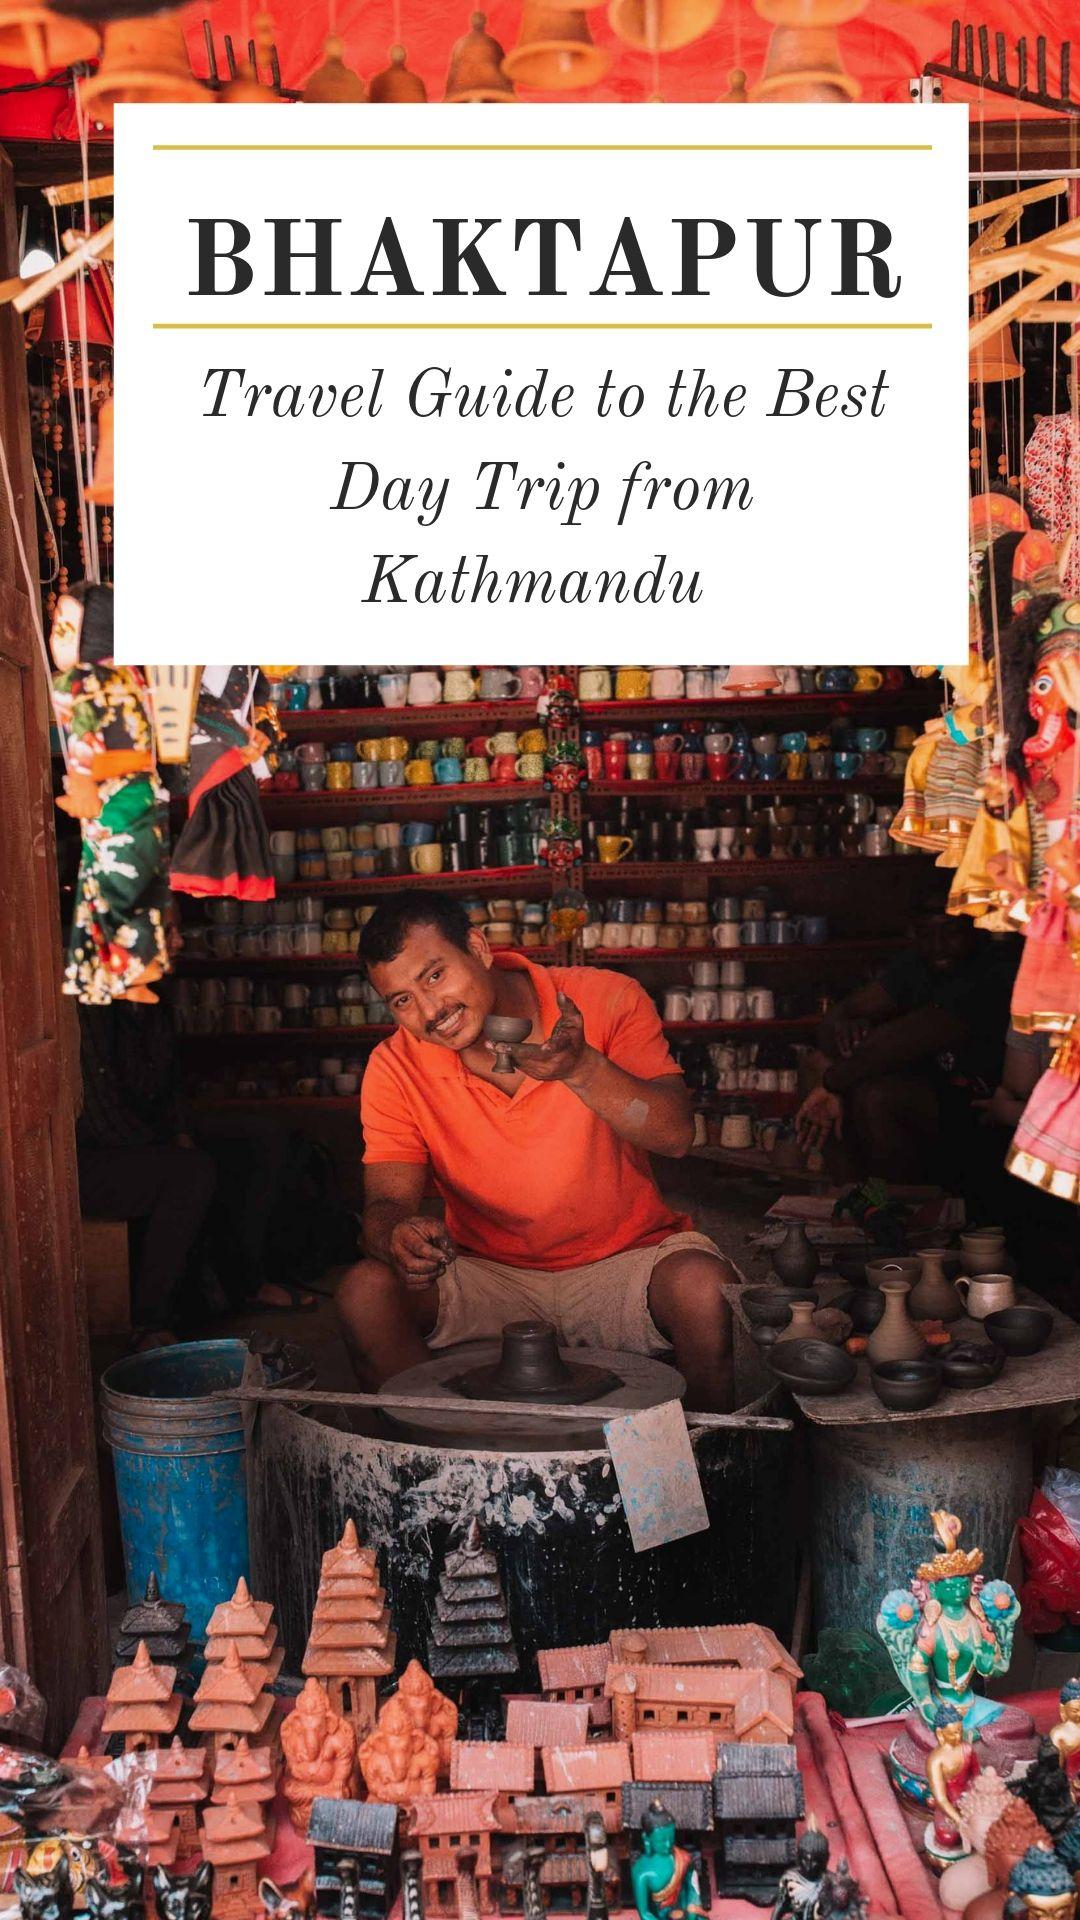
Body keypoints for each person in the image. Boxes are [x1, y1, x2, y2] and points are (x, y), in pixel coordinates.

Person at [336, 893, 738, 1410]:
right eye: (402, 1000)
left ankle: (705, 1468)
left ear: (478, 948)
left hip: (623, 1261)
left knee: (705, 1290)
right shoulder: (394, 1065)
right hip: (486, 1273)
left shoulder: (605, 998)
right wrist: (398, 1234)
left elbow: (676, 1135)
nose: (430, 1011)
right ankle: (441, 1469)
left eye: (434, 976)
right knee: (364, 1294)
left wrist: (583, 1069)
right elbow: (386, 1203)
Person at [793, 908, 1019, 1187]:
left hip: (982, 1101)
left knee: (876, 1097)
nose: (938, 944)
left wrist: (833, 1082)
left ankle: (894, 1206)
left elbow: (903, 1040)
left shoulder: (991, 971)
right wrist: (845, 1025)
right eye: (926, 934)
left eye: (951, 932)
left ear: (975, 928)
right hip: (931, 1085)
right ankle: (853, 1198)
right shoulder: (916, 965)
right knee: (815, 1064)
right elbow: (838, 1016)